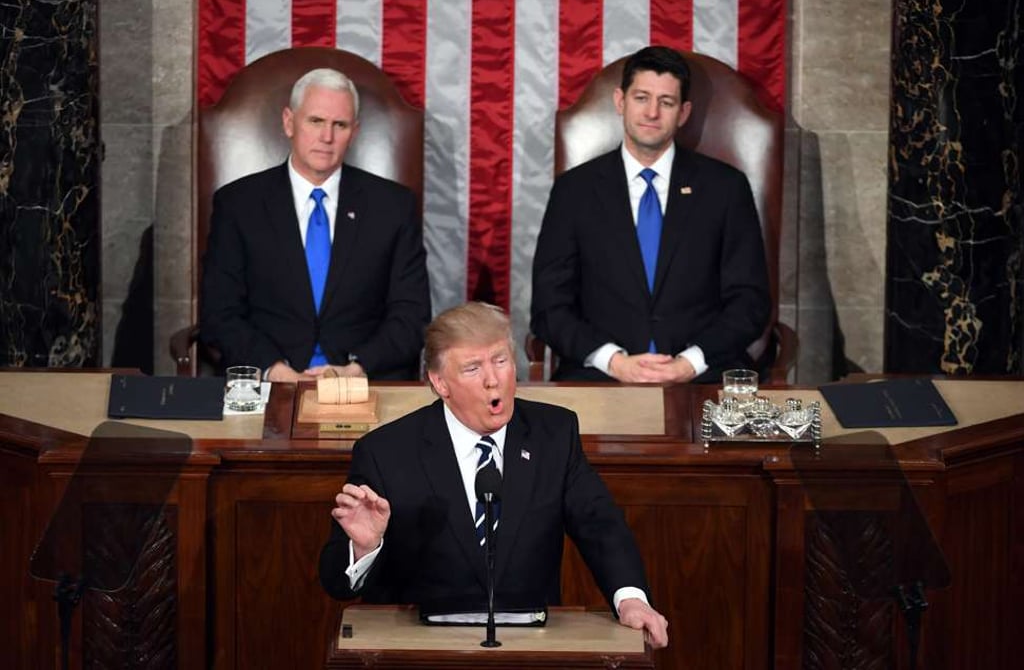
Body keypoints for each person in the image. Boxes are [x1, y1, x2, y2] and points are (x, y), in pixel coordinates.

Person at [318, 301, 669, 648]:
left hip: (530, 646)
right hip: (422, 649)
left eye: (501, 361)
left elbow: (599, 523)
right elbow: (336, 583)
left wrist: (630, 598)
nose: (492, 380)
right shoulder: (386, 452)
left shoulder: (554, 434)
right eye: (472, 368)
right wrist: (364, 547)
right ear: (440, 382)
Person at [530, 45, 770, 384]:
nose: (652, 112)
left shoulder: (726, 188)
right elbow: (549, 308)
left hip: (703, 376)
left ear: (684, 112)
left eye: (666, 102)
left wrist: (689, 362)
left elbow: (750, 301)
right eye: (641, 98)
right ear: (620, 101)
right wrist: (613, 361)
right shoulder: (574, 191)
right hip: (600, 377)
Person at [200, 68, 431, 381]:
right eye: (316, 121)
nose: (327, 137)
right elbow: (220, 313)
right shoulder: (239, 205)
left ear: (355, 131)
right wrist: (274, 370)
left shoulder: (392, 206)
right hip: (268, 381)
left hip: (363, 382)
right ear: (288, 122)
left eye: (340, 124)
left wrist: (357, 369)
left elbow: (411, 315)